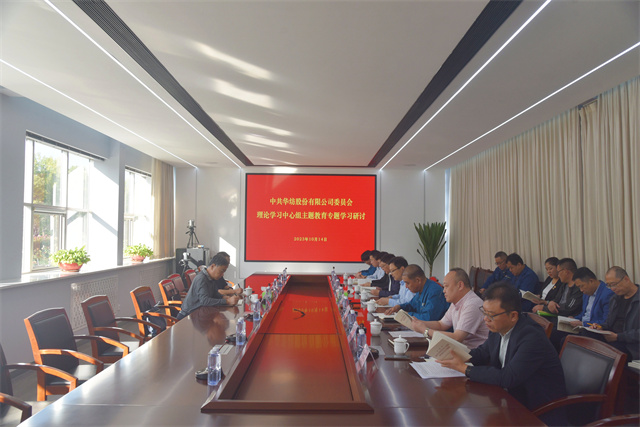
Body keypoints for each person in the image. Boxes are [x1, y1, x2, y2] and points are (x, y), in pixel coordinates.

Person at [438, 281, 567, 426]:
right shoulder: (498, 327)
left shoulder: (532, 338)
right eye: (484, 312)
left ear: (513, 316)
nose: (485, 319)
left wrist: (464, 369)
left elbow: (508, 377)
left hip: (537, 410)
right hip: (509, 399)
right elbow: (482, 353)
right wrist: (454, 353)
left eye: (490, 315)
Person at [409, 268, 489, 349]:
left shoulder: (472, 304)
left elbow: (457, 338)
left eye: (446, 286)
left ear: (460, 285)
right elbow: (441, 324)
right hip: (461, 351)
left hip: (474, 354)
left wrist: (425, 330)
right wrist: (417, 322)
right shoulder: (456, 302)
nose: (443, 291)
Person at [549, 267, 613, 351]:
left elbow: (605, 321)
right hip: (581, 327)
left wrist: (583, 324)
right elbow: (584, 314)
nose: (581, 290)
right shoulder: (586, 293)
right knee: (553, 332)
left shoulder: (607, 294)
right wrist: (574, 319)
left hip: (593, 331)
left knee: (566, 341)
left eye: (582, 286)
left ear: (591, 281)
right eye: (579, 287)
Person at [587, 266, 639, 360]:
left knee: (604, 352)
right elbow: (609, 323)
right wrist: (600, 327)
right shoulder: (615, 299)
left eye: (614, 284)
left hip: (631, 345)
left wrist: (618, 337)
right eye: (609, 285)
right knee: (585, 337)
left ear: (626, 279)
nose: (612, 289)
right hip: (612, 338)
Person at [176, 254, 240, 319]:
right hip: (188, 316)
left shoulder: (210, 278)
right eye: (221, 271)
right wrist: (227, 301)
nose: (222, 274)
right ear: (212, 266)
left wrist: (224, 297)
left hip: (200, 314)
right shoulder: (201, 279)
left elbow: (215, 293)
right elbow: (205, 301)